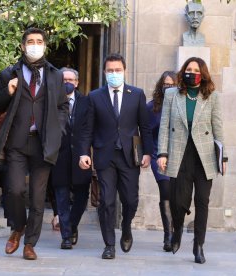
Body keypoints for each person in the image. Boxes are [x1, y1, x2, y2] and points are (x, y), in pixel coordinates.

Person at [0, 27, 68, 260]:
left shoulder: (55, 75)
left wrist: (58, 130)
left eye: (39, 41)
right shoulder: (9, 73)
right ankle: (18, 228)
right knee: (14, 190)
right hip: (17, 142)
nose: (35, 45)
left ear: (45, 45)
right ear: (23, 46)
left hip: (44, 144)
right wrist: (8, 91)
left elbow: (63, 107)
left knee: (36, 197)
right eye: (30, 41)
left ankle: (30, 243)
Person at [79, 53, 153, 259]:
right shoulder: (95, 96)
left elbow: (145, 127)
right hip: (105, 156)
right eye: (110, 70)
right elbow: (88, 129)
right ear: (104, 72)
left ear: (124, 71)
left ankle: (126, 226)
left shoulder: (136, 94)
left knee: (130, 200)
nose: (114, 74)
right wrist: (84, 153)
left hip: (129, 156)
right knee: (107, 201)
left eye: (117, 70)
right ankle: (109, 244)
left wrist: (147, 152)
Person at [157, 57, 228, 264]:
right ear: (183, 71)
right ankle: (177, 229)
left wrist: (222, 156)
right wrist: (162, 153)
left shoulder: (212, 96)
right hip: (180, 153)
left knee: (202, 202)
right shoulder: (172, 94)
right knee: (178, 201)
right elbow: (164, 126)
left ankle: (199, 245)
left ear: (203, 74)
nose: (192, 72)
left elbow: (218, 128)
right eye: (189, 69)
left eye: (196, 70)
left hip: (204, 155)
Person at [50, 67, 92, 249]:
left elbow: (89, 129)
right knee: (61, 197)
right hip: (59, 157)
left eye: (71, 80)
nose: (67, 82)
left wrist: (86, 152)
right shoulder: (51, 101)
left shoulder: (86, 102)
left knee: (82, 196)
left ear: (77, 83)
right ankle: (66, 236)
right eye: (63, 79)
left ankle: (72, 225)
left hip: (81, 157)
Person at [146, 71, 177, 252]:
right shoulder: (152, 108)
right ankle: (168, 235)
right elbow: (146, 132)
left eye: (172, 84)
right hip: (159, 156)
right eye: (165, 84)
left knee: (177, 196)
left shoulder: (181, 105)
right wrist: (149, 154)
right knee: (165, 191)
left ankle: (176, 230)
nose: (168, 87)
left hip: (179, 157)